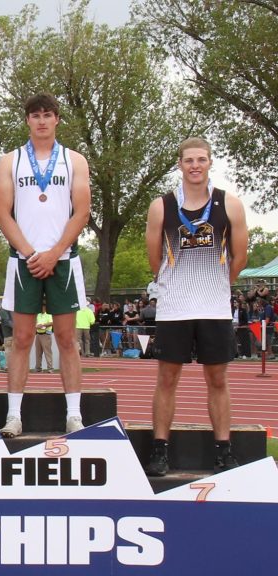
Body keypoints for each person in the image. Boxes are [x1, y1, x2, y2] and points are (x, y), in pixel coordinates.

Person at [144, 137, 248, 476]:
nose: (195, 166)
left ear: (210, 162)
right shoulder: (162, 206)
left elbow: (240, 255)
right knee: (167, 378)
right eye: (189, 160)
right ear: (180, 164)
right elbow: (153, 258)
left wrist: (217, 284)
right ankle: (160, 450)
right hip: (174, 308)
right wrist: (175, 284)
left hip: (214, 308)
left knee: (218, 379)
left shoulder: (229, 204)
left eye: (201, 159)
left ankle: (224, 449)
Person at [0, 93, 91, 437]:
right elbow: (2, 212)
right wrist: (31, 253)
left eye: (48, 115)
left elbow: (82, 211)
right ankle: (14, 416)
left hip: (63, 259)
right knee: (21, 339)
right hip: (23, 260)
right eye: (35, 115)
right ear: (27, 121)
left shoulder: (74, 160)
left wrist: (53, 253)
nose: (42, 121)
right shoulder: (10, 161)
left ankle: (74, 415)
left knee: (67, 339)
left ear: (57, 120)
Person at [34, 305, 54, 372]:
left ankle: (50, 368)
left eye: (42, 307)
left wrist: (44, 325)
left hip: (46, 334)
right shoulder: (38, 315)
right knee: (38, 353)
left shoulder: (49, 314)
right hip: (38, 334)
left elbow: (51, 322)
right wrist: (37, 325)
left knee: (47, 352)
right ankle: (38, 368)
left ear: (45, 307)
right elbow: (35, 322)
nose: (41, 308)